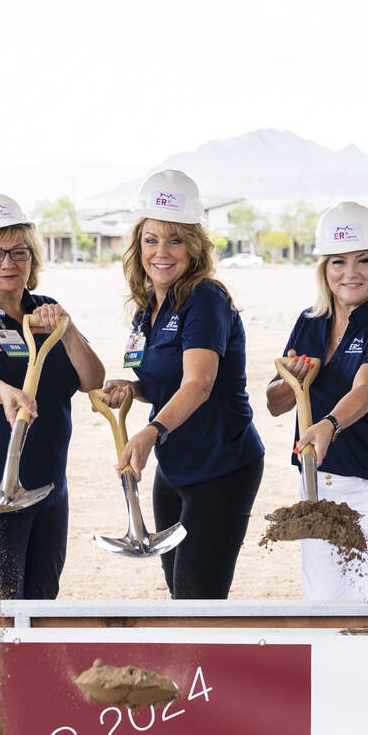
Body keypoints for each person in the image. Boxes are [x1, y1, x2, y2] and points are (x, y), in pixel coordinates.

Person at [0, 191, 105, 599]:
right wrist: (4, 392)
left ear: (33, 257)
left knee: (42, 603)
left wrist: (69, 328)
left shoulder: (46, 310)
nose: (8, 263)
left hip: (45, 488)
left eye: (19, 251)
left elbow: (92, 379)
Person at [102, 170, 264, 599]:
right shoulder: (148, 309)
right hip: (175, 468)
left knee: (199, 599)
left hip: (222, 465)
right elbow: (165, 381)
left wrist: (152, 431)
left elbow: (199, 382)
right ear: (137, 246)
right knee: (178, 593)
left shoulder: (205, 298)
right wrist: (132, 388)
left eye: (175, 240)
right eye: (151, 240)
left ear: (194, 247)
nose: (162, 252)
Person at [266, 201, 368, 599]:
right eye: (337, 262)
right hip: (318, 479)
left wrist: (328, 425)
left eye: (363, 260)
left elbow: (365, 392)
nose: (350, 273)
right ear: (324, 270)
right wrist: (290, 381)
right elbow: (275, 402)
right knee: (323, 602)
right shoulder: (310, 322)